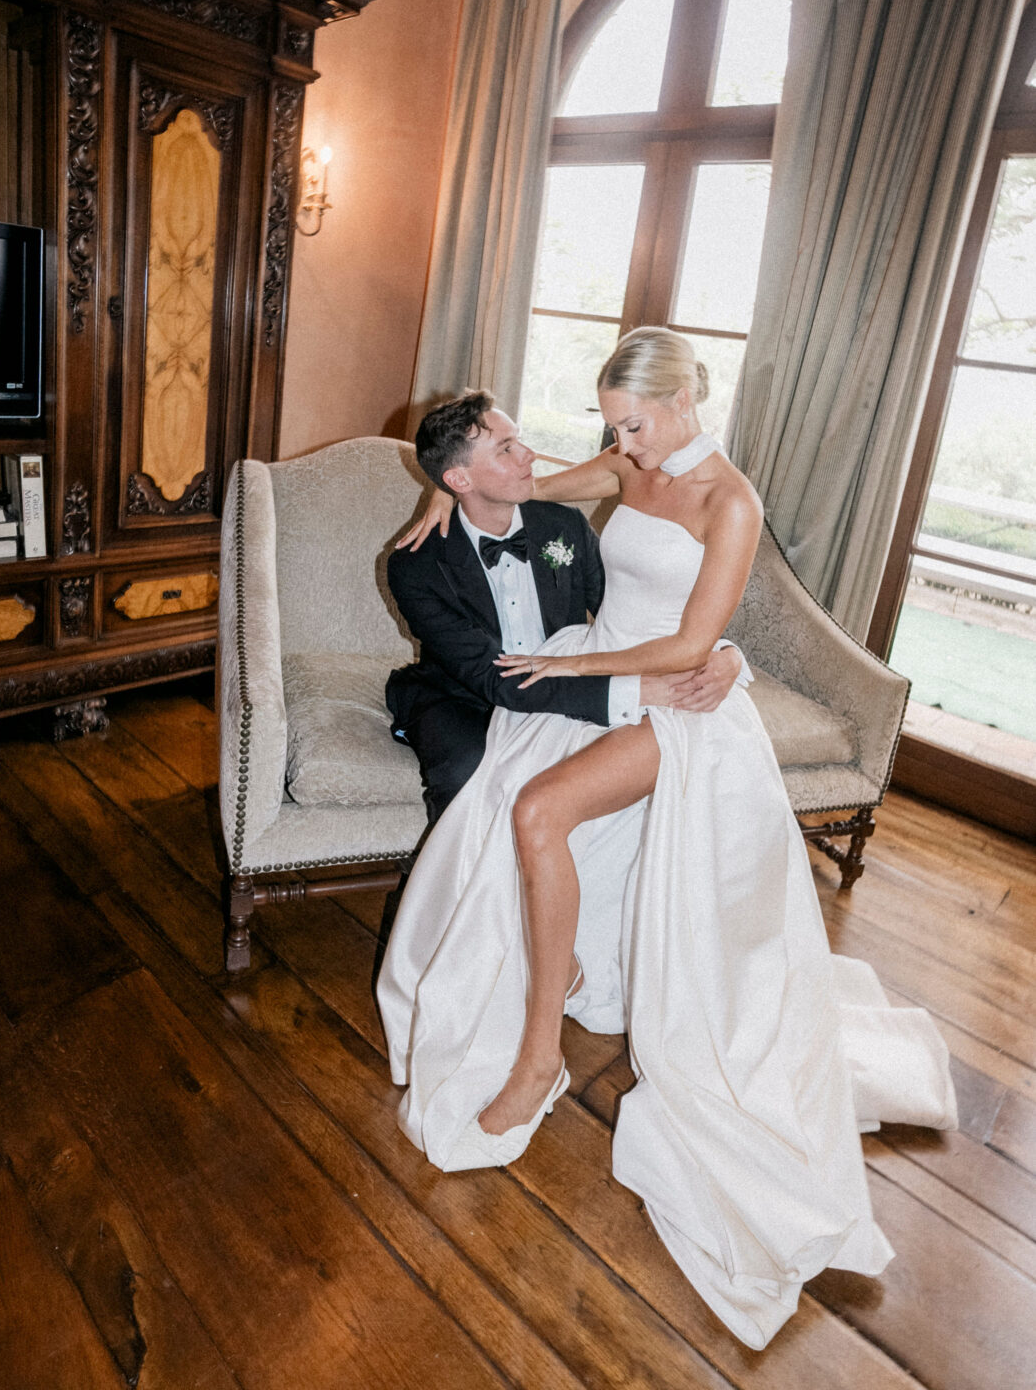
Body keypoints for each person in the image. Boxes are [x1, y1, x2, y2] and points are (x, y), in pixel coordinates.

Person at [378, 328, 956, 1350]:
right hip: (604, 664)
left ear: (688, 399)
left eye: (635, 423)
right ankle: (543, 986)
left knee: (535, 811)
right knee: (507, 808)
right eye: (612, 425)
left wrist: (584, 672)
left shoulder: (729, 502)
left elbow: (695, 640)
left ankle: (535, 1053)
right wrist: (443, 489)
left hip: (676, 701)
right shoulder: (623, 457)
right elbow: (518, 483)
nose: (623, 446)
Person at [385, 390, 746, 825]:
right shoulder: (416, 567)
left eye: (518, 439)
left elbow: (635, 610)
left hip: (569, 686)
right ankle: (455, 891)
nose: (529, 454)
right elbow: (493, 681)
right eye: (506, 448)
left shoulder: (563, 525)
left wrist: (725, 653)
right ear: (459, 480)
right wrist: (636, 691)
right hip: (467, 697)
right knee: (466, 773)